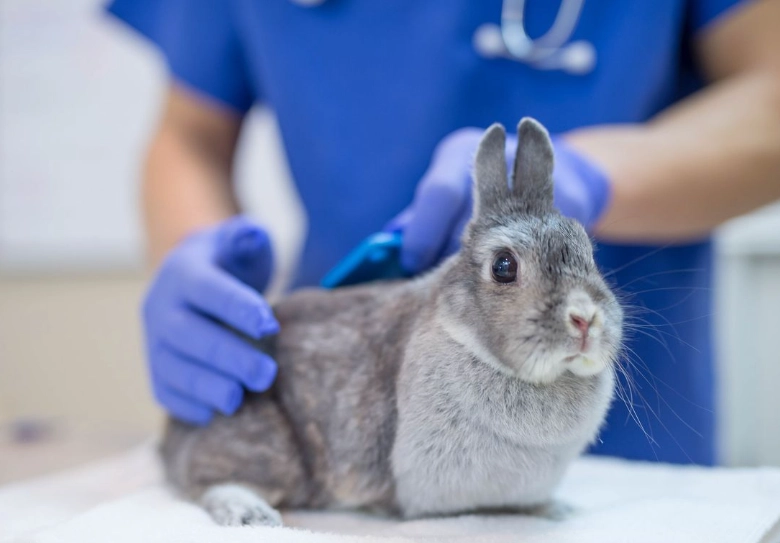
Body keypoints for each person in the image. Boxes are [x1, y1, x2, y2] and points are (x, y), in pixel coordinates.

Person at [107, 0, 780, 465]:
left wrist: (593, 178)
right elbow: (190, 134)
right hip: (350, 415)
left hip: (630, 444)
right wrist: (201, 267)